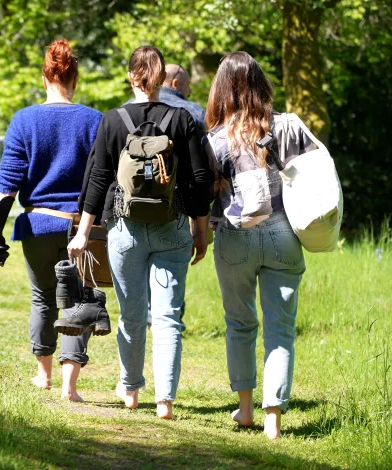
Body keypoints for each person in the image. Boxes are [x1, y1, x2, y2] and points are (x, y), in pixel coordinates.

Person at [68, 45, 212, 419]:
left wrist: (83, 232)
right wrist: (200, 229)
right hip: (173, 226)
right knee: (167, 317)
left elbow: (98, 178)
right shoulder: (183, 120)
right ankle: (165, 400)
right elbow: (198, 179)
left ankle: (131, 391)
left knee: (132, 315)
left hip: (124, 231)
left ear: (131, 76)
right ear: (163, 79)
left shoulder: (113, 120)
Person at [204, 51, 316, 439]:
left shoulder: (214, 139)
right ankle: (274, 421)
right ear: (260, 83)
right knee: (280, 329)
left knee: (240, 323)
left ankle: (246, 410)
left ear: (222, 88)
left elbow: (205, 195)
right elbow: (318, 175)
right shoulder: (288, 125)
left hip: (234, 235)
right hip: (284, 232)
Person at [0, 39, 103, 402]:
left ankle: (43, 376)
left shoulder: (24, 120)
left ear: (46, 78)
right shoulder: (94, 120)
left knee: (42, 298)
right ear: (74, 80)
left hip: (37, 225)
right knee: (79, 299)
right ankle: (70, 387)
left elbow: (5, 187)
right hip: (80, 227)